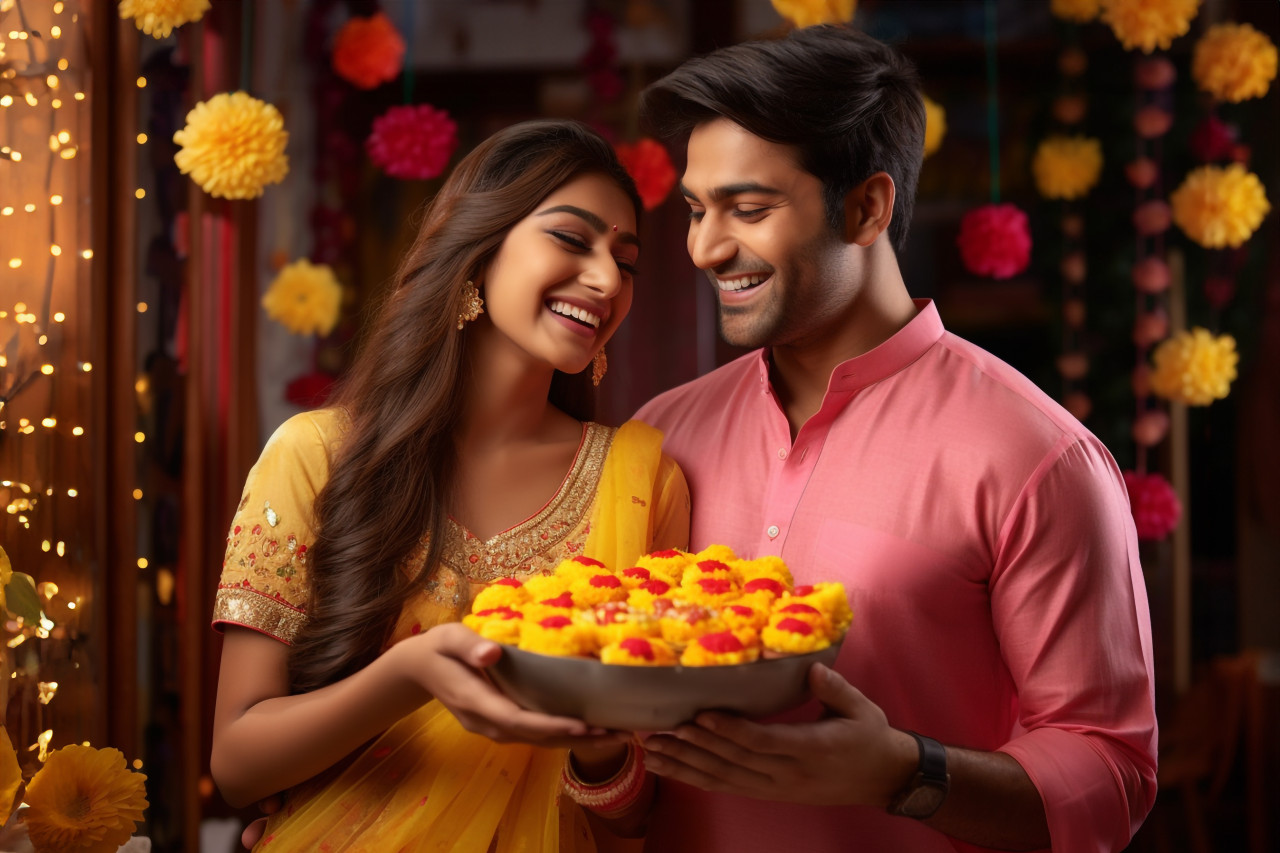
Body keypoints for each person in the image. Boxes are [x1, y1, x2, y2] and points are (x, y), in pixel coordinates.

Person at [631, 25, 1158, 853]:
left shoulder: (1037, 458)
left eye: (750, 208)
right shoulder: (655, 438)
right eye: (697, 210)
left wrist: (903, 773)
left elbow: (1110, 772)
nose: (705, 247)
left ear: (868, 206)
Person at [210, 119, 688, 852]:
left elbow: (633, 819)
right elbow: (238, 762)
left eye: (626, 261)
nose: (605, 279)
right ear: (478, 250)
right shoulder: (316, 457)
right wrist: (407, 675)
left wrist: (597, 742)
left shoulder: (641, 482)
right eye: (571, 238)